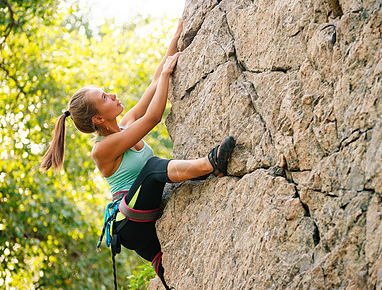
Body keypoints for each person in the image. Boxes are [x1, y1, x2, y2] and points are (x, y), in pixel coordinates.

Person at [40, 19, 236, 290]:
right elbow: (154, 116)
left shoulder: (127, 123)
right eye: (105, 97)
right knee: (154, 168)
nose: (113, 94)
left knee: (171, 276)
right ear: (97, 118)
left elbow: (155, 81)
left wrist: (178, 32)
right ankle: (211, 164)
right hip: (129, 222)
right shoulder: (101, 150)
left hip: (143, 214)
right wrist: (168, 75)